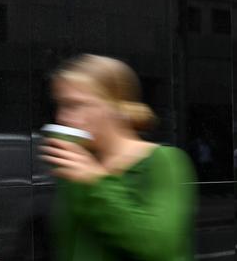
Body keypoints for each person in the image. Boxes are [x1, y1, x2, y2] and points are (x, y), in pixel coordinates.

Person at [40, 54, 196, 261]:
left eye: (75, 105)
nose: (62, 117)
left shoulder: (165, 160)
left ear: (115, 106)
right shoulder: (77, 167)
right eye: (60, 105)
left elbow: (160, 246)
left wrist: (96, 182)